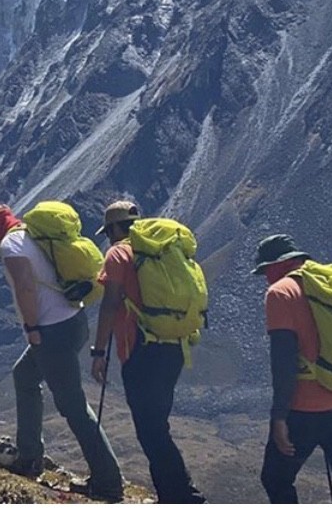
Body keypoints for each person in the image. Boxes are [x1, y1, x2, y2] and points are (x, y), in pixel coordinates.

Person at [0, 203, 123, 502]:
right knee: (25, 376)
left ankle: (108, 482)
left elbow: (25, 287)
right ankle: (29, 456)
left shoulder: (10, 244)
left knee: (73, 406)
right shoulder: (33, 235)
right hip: (73, 321)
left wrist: (31, 327)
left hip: (52, 331)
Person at [90, 200, 206, 503]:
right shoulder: (164, 249)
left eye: (109, 231)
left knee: (150, 430)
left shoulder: (118, 254)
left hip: (141, 351)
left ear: (115, 228)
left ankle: (182, 496)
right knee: (156, 425)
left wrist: (98, 352)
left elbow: (110, 304)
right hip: (175, 346)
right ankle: (174, 493)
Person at [253, 233, 332, 503]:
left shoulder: (280, 292)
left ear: (277, 265)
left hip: (306, 408)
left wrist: (279, 417)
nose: (266, 277)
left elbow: (283, 362)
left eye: (266, 270)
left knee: (275, 478)